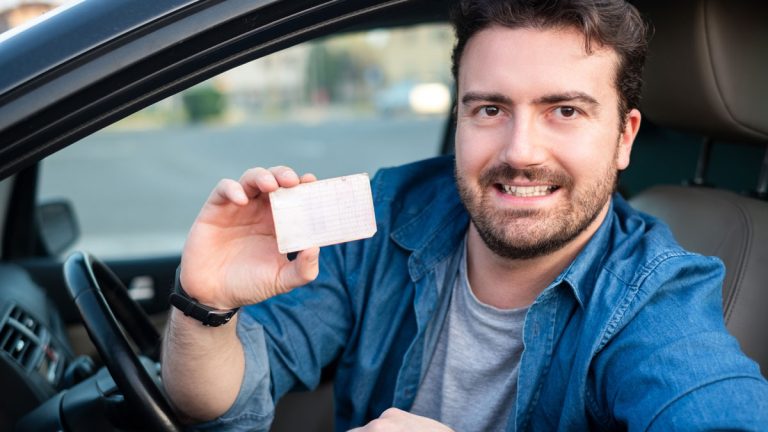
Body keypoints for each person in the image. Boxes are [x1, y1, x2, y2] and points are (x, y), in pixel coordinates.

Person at [161, 0, 768, 430]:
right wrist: (205, 306)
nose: (520, 152)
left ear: (624, 137)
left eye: (565, 111)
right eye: (489, 110)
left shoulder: (654, 293)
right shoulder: (386, 208)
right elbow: (221, 400)